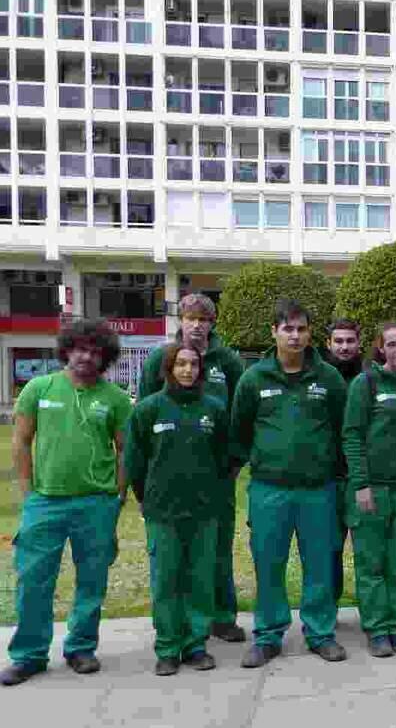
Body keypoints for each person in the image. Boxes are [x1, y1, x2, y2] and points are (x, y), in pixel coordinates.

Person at [2, 319, 132, 687]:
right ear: (67, 350)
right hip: (45, 503)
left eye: (95, 352)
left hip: (96, 504)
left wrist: (118, 494)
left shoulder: (115, 398)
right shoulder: (38, 388)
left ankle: (81, 648)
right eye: (80, 349)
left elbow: (125, 450)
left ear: (105, 358)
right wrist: (28, 491)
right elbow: (21, 441)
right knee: (33, 580)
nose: (86, 357)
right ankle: (29, 655)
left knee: (92, 580)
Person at [230, 299, 348, 667]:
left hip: (319, 490)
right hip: (269, 490)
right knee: (269, 564)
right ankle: (268, 635)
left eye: (301, 329)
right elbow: (239, 431)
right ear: (274, 332)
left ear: (310, 334)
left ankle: (320, 633)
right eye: (287, 329)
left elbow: (343, 429)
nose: (295, 336)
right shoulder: (254, 378)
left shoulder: (328, 378)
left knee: (320, 564)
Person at [137, 293, 246, 643]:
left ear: (212, 323)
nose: (197, 325)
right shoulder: (160, 358)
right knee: (171, 555)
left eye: (204, 320)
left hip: (217, 474)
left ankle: (222, 617)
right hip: (169, 473)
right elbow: (143, 413)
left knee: (217, 547)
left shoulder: (228, 361)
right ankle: (175, 624)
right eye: (190, 318)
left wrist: (232, 465)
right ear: (180, 321)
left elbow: (241, 415)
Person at [125, 342, 229, 675]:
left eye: (193, 364)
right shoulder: (148, 409)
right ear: (168, 369)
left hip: (204, 510)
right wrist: (144, 496)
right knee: (166, 580)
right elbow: (135, 460)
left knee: (200, 579)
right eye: (180, 363)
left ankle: (196, 645)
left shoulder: (214, 409)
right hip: (163, 510)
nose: (187, 370)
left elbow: (224, 458)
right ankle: (168, 647)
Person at [342, 322, 396, 657]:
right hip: (372, 489)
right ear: (380, 348)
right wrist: (361, 483)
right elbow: (352, 435)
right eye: (391, 344)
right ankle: (377, 629)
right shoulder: (366, 383)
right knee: (372, 564)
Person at [324, 317, 363, 607]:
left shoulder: (370, 378)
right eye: (338, 341)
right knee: (328, 549)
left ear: (359, 344)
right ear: (329, 344)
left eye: (350, 341)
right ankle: (327, 608)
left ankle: (373, 611)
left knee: (368, 550)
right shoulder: (320, 378)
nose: (344, 347)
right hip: (328, 477)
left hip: (362, 478)